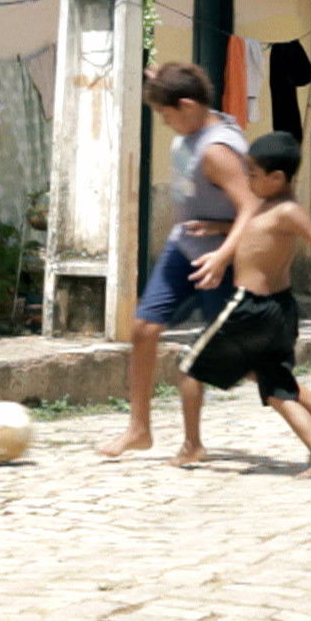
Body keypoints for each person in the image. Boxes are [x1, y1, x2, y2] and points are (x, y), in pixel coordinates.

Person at [177, 133, 311, 479]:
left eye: (253, 174)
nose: (248, 180)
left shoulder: (289, 211)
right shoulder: (265, 206)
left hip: (250, 308)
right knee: (278, 391)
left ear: (277, 178)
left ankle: (192, 445)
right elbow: (255, 230)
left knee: (190, 366)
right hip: (278, 313)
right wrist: (217, 227)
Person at [96, 62, 261, 466]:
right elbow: (178, 79)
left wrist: (222, 255)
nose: (165, 122)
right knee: (144, 328)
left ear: (187, 106)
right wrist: (157, 76)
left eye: (165, 114)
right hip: (184, 246)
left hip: (218, 257)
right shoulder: (194, 122)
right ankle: (139, 429)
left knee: (236, 360)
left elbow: (252, 208)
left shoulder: (218, 150)